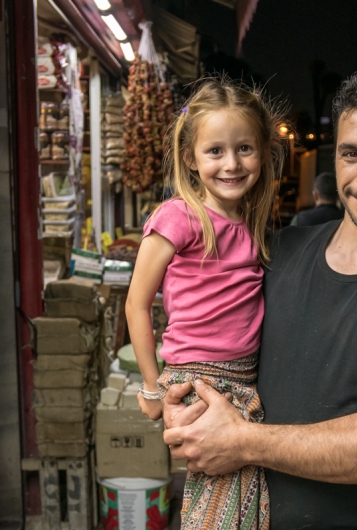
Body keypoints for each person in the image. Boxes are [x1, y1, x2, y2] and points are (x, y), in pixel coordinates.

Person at [162, 68, 357, 529]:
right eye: (351, 154)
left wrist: (240, 441)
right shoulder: (281, 249)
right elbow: (204, 333)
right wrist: (180, 396)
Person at [125, 77, 285, 530]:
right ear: (191, 160)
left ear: (263, 151)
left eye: (244, 149)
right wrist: (153, 390)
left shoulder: (251, 219)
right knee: (218, 507)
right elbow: (136, 305)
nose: (231, 164)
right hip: (199, 379)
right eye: (215, 150)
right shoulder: (179, 216)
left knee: (239, 505)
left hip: (241, 378)